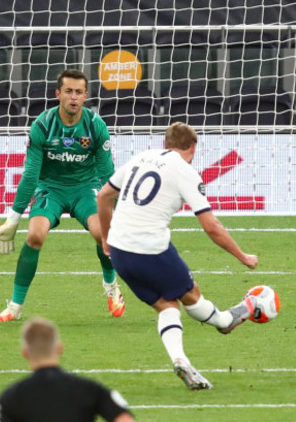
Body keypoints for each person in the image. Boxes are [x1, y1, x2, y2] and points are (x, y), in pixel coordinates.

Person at [96, 122, 259, 391]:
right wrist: (242, 256)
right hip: (149, 248)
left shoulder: (142, 157)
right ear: (193, 147)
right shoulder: (186, 171)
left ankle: (181, 359)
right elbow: (211, 226)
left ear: (165, 143)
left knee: (166, 305)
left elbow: (104, 195)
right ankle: (226, 321)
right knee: (191, 293)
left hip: (120, 250)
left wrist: (105, 236)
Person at [0, 69, 125, 322]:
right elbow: (31, 174)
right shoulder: (42, 125)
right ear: (58, 94)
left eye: (79, 92)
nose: (73, 97)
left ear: (86, 96)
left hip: (86, 187)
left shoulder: (96, 126)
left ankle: (111, 286)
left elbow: (108, 174)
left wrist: (119, 214)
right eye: (68, 91)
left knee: (102, 233)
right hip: (50, 187)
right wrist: (13, 219)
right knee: (35, 236)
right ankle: (15, 307)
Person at [0, 317, 135, 422]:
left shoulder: (12, 397)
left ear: (25, 353)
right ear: (60, 349)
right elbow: (124, 418)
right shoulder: (89, 389)